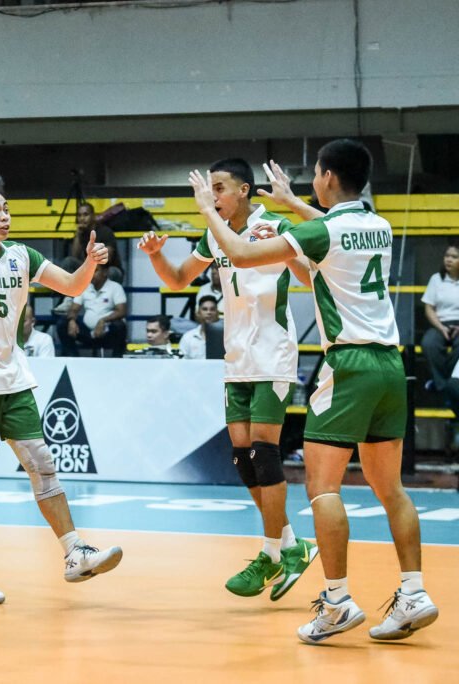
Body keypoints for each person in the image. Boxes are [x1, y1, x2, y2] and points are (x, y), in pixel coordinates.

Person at [188, 140, 438, 643]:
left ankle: (337, 601)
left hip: (348, 365)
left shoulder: (322, 231)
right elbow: (328, 231)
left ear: (324, 176)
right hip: (391, 364)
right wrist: (291, 203)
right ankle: (414, 592)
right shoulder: (378, 226)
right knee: (391, 489)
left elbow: (237, 250)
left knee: (323, 487)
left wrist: (204, 210)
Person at [0, 175, 122, 605]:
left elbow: (70, 286)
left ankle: (74, 551)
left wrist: (89, 263)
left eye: (6, 208)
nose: (5, 216)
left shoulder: (21, 255)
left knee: (42, 463)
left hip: (13, 378)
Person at [141, 157, 318, 601]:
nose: (212, 196)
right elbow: (180, 279)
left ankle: (271, 553)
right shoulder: (216, 233)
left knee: (264, 450)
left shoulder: (275, 226)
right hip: (237, 355)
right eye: (210, 189)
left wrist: (301, 250)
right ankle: (293, 546)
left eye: (219, 188)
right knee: (242, 458)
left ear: (243, 191)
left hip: (273, 351)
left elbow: (309, 275)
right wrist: (157, 255)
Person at [60, 262, 127, 357]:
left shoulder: (115, 287)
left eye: (95, 271)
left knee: (120, 326)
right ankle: (73, 359)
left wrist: (103, 320)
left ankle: (117, 361)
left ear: (105, 272)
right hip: (87, 332)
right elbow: (74, 309)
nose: (91, 274)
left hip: (106, 332)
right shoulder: (84, 286)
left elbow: (121, 311)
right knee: (63, 324)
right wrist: (72, 320)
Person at [420, 243, 459, 407]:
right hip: (440, 323)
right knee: (428, 343)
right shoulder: (436, 279)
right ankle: (444, 387)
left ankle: (446, 381)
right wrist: (440, 327)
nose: (448, 260)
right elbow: (429, 307)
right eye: (446, 256)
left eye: (454, 257)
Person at [179, 294, 220, 360]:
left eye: (212, 309)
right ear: (198, 313)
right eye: (205, 309)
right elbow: (182, 364)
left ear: (217, 313)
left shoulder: (227, 337)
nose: (209, 312)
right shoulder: (188, 337)